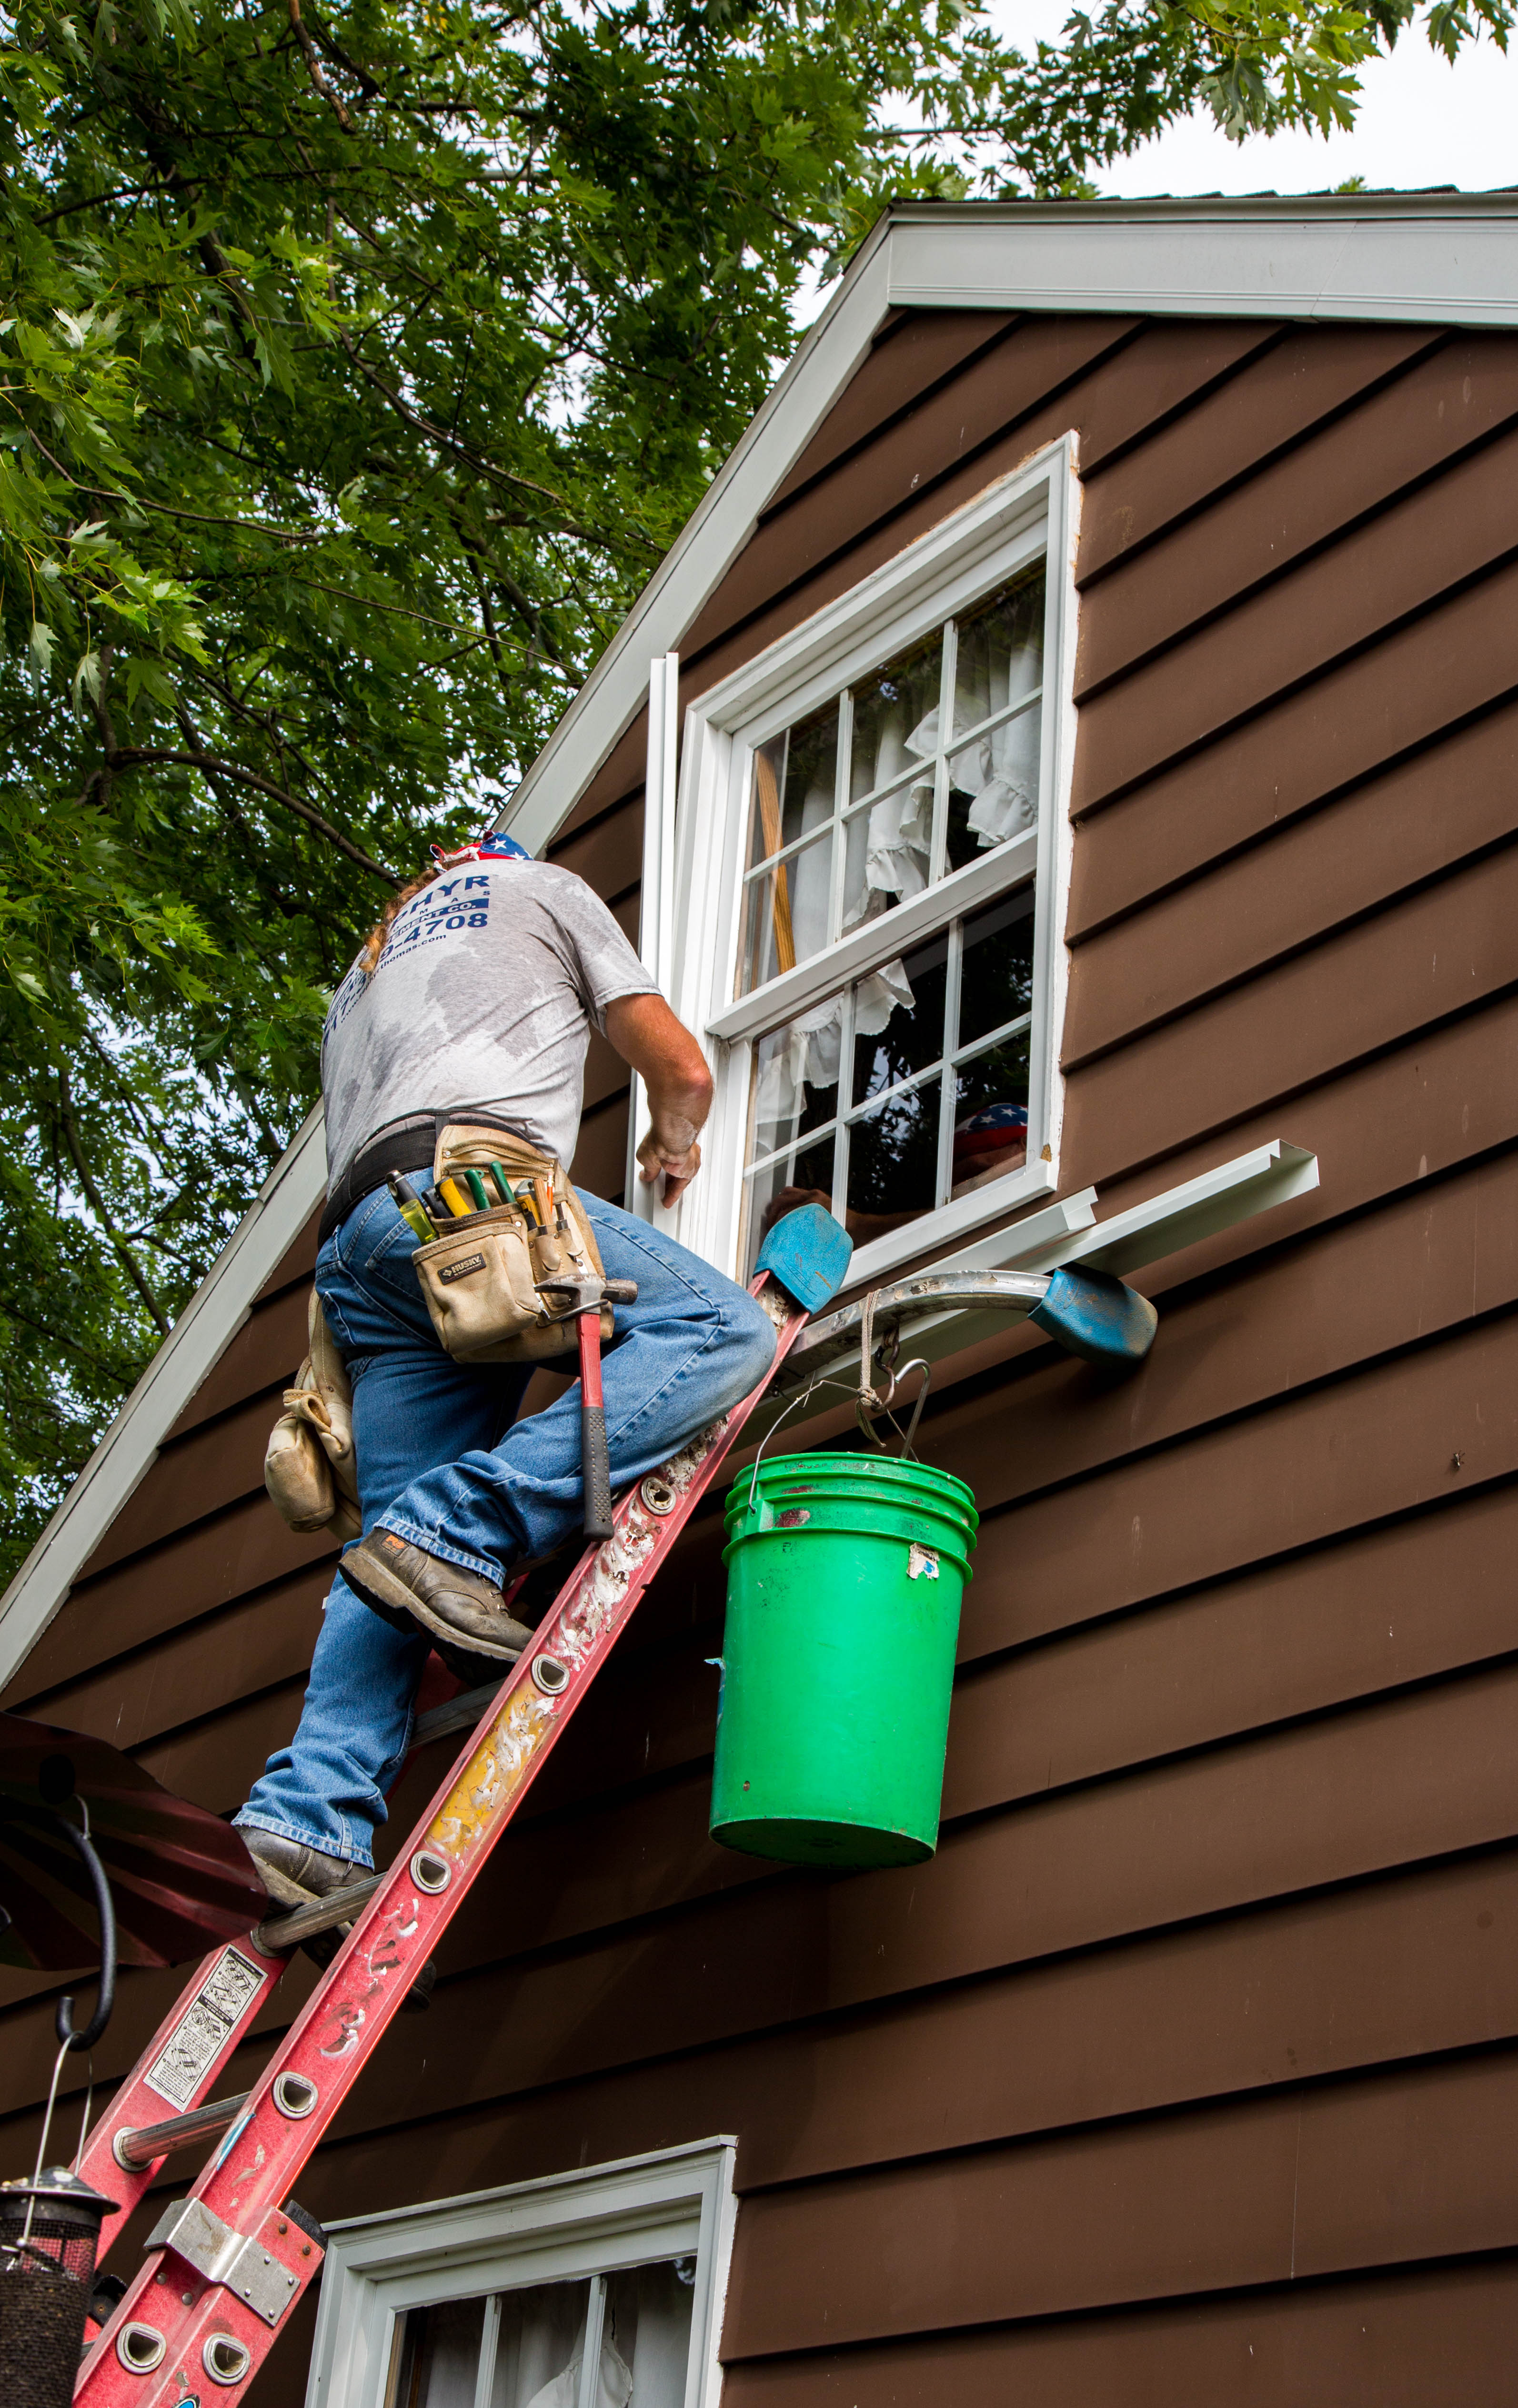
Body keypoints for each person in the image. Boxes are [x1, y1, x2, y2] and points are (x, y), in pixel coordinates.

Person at [233, 831, 776, 1922]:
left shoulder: (364, 974)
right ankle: (465, 1519)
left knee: (387, 1559)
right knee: (724, 1329)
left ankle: (308, 1816)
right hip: (467, 1197)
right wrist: (676, 1146)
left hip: (360, 1257)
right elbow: (680, 1064)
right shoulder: (541, 888)